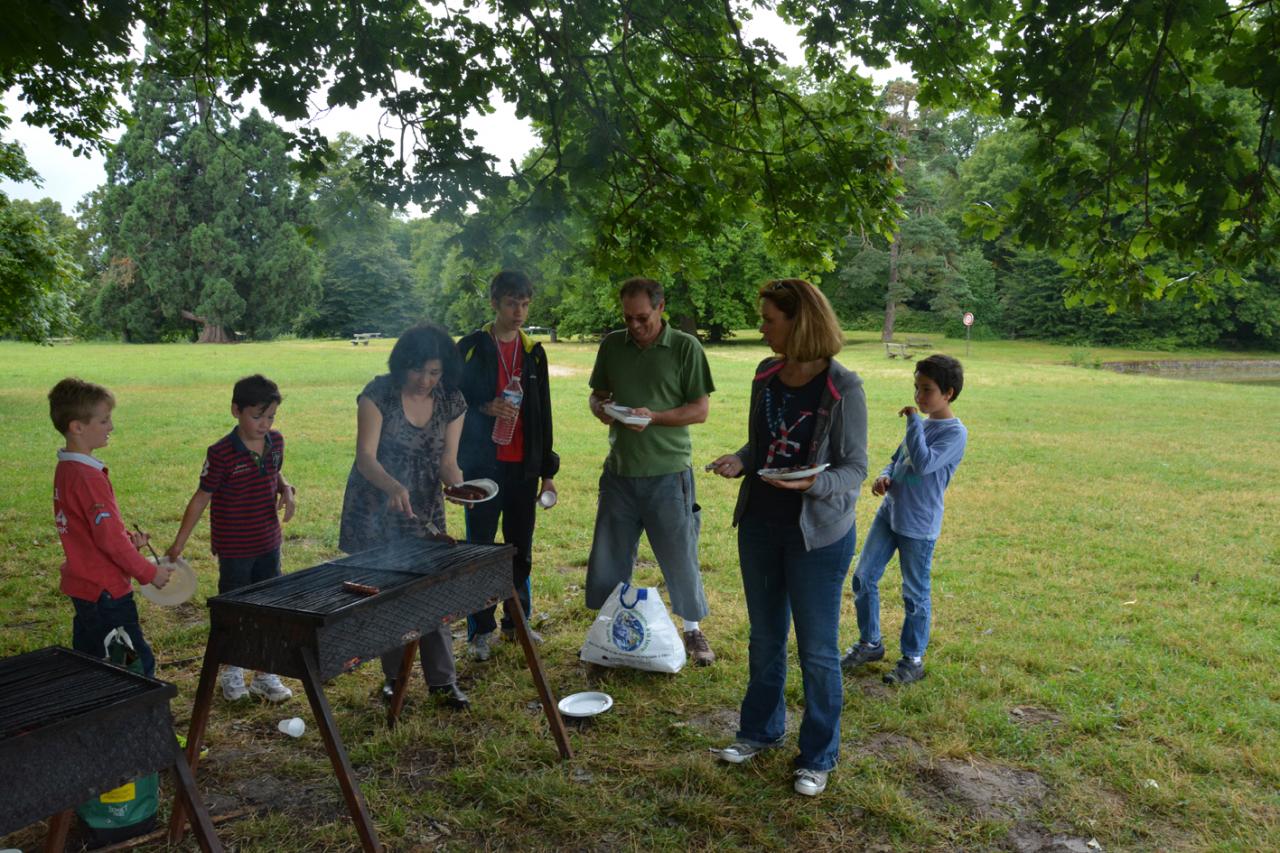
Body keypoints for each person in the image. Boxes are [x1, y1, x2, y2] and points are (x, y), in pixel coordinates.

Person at [708, 278, 868, 797]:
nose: (761, 327)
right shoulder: (766, 374)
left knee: (818, 651)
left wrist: (813, 483)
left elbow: (854, 469)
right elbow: (762, 444)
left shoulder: (843, 388)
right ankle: (760, 731)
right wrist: (742, 459)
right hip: (760, 524)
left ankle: (818, 755)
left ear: (799, 322)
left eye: (769, 318)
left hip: (817, 536)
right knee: (765, 638)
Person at [338, 322, 470, 710]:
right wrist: (394, 487)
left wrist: (458, 484)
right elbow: (366, 458)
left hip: (424, 508)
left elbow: (448, 462)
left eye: (435, 372)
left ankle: (443, 682)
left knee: (433, 588)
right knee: (387, 593)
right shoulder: (378, 393)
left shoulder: (451, 400)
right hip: (376, 503)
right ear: (402, 365)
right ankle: (395, 678)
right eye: (418, 370)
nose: (426, 380)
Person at [585, 277, 717, 665]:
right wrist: (600, 408)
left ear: (661, 308)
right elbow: (598, 394)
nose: (635, 326)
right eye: (628, 318)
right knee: (608, 557)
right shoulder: (612, 345)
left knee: (679, 556)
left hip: (667, 471)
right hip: (620, 472)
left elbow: (700, 409)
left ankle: (692, 632)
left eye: (642, 317)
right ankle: (611, 631)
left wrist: (654, 417)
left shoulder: (684, 347)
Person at [166, 374, 298, 702]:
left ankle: (265, 673)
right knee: (235, 608)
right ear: (235, 411)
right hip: (236, 548)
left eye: (271, 417)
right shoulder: (222, 453)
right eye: (257, 417)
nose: (265, 424)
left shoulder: (276, 442)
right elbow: (201, 497)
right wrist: (180, 541)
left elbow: (274, 470)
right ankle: (232, 670)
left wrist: (286, 489)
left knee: (268, 606)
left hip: (269, 542)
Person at [841, 354, 967, 686]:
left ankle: (913, 659)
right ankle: (870, 643)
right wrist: (884, 477)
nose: (919, 397)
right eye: (916, 388)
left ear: (948, 393)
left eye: (927, 390)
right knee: (863, 577)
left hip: (919, 526)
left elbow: (924, 464)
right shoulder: (923, 425)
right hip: (890, 514)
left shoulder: (954, 434)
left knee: (914, 593)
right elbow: (898, 461)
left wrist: (912, 421)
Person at [456, 270, 560, 661]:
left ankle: (517, 622)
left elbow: (543, 413)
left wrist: (547, 472)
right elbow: (449, 402)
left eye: (525, 303)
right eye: (512, 303)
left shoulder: (534, 351)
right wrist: (483, 407)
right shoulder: (470, 348)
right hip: (482, 467)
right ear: (494, 303)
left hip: (523, 468)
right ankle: (479, 630)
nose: (519, 311)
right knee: (479, 550)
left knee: (520, 548)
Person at [49, 378, 173, 678]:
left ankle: (93, 715)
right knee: (133, 665)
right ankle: (138, 720)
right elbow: (108, 540)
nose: (111, 426)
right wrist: (148, 571)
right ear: (77, 427)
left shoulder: (67, 468)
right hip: (106, 593)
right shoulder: (88, 477)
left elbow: (91, 533)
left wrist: (129, 544)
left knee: (90, 661)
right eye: (104, 420)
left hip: (86, 588)